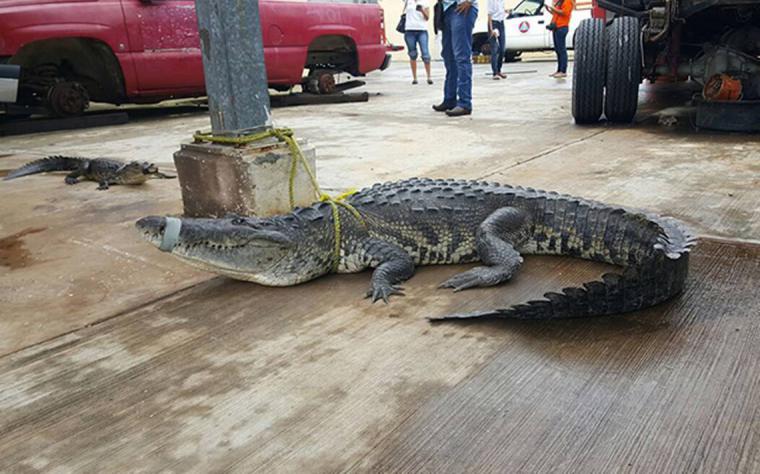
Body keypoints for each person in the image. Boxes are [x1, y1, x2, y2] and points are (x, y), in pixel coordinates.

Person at [432, 0, 478, 116]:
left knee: (462, 57)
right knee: (449, 57)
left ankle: (464, 103)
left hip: (462, 7)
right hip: (446, 9)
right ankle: (449, 99)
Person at [404, 0, 433, 85]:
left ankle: (429, 77)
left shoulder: (425, 2)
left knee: (425, 54)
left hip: (422, 30)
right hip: (409, 30)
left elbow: (427, 17)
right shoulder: (408, 1)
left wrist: (422, 10)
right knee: (412, 54)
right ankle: (415, 78)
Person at [546, 0, 573, 78]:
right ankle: (559, 70)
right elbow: (556, 13)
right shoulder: (561, 2)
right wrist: (549, 9)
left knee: (561, 50)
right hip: (556, 27)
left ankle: (563, 70)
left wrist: (553, 8)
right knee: (558, 50)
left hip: (562, 27)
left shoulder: (568, 1)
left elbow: (564, 13)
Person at [487, 0, 507, 79]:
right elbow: (489, 15)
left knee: (502, 49)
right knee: (494, 49)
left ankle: (499, 70)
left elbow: (501, 11)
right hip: (493, 23)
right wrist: (491, 30)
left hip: (501, 23)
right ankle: (494, 72)